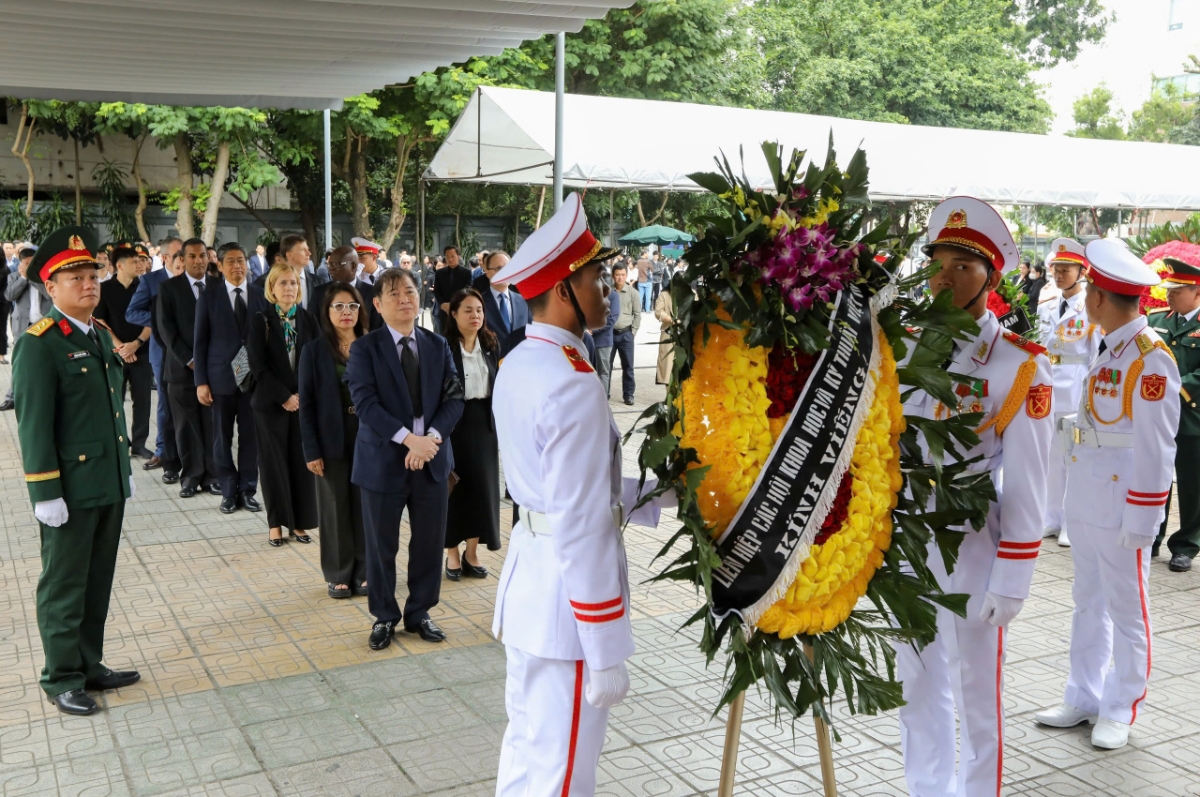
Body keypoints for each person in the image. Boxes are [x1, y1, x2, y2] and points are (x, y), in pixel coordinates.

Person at [488, 194, 671, 797]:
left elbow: (564, 491)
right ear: (563, 290)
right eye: (595, 279)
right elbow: (582, 519)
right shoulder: (571, 380)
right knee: (561, 778)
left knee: (527, 759)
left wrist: (662, 495)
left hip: (534, 588)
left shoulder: (523, 360)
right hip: (566, 610)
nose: (607, 291)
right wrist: (604, 642)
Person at [895, 197, 1053, 797]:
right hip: (907, 538)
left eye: (963, 266)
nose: (946, 277)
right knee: (916, 678)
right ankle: (926, 786)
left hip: (971, 544)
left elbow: (1030, 480)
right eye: (938, 263)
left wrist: (1014, 576)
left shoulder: (1017, 365)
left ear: (992, 276)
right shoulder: (904, 347)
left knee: (976, 690)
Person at [1035, 239, 1180, 750]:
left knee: (1127, 609)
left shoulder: (1150, 357)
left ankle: (1120, 706)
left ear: (1098, 297)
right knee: (1087, 603)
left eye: (1091, 288)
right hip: (1089, 498)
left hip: (1123, 508)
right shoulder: (1110, 345)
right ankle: (1084, 695)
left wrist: (1145, 520)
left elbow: (1158, 448)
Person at [12, 226, 138, 716]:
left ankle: (89, 663)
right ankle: (61, 675)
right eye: (76, 278)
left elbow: (110, 410)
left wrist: (124, 470)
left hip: (107, 482)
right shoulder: (39, 344)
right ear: (51, 287)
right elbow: (34, 425)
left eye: (93, 276)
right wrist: (44, 491)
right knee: (65, 584)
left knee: (97, 579)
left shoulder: (99, 333)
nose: (89, 284)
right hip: (69, 488)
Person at [345, 267, 463, 648]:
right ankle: (384, 616)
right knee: (381, 546)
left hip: (431, 460)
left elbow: (454, 398)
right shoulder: (365, 348)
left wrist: (430, 440)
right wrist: (409, 440)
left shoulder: (437, 345)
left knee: (429, 542)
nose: (404, 299)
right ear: (378, 304)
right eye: (394, 294)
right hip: (382, 461)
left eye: (410, 292)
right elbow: (365, 404)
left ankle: (419, 612)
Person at [300, 282, 369, 598]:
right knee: (334, 506)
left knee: (366, 504)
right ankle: (339, 573)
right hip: (330, 436)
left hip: (369, 435)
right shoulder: (314, 350)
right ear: (326, 312)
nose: (346, 312)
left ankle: (366, 570)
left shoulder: (372, 345)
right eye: (338, 306)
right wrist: (311, 450)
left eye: (352, 306)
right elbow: (307, 404)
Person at [194, 242, 268, 514]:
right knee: (221, 438)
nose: (237, 266)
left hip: (253, 380)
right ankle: (227, 491)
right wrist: (201, 382)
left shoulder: (261, 295)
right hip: (220, 378)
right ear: (221, 265)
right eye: (231, 262)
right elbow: (200, 342)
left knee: (250, 438)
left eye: (241, 261)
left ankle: (247, 489)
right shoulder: (209, 297)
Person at [1036, 238, 1100, 549]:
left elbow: (1097, 354)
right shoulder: (1046, 305)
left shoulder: (1090, 307)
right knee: (1050, 458)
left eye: (1066, 270)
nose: (1059, 275)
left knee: (1073, 457)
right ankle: (1051, 517)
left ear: (1081, 272)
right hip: (1047, 387)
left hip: (1076, 387)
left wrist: (1091, 394)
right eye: (1056, 269)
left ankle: (1070, 522)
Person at [248, 264, 318, 546]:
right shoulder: (261, 320)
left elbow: (316, 362)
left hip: (302, 403)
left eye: (293, 283)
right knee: (273, 464)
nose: (289, 288)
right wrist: (284, 397)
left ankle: (299, 523)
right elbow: (258, 366)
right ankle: (276, 523)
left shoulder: (308, 318)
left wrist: (300, 395)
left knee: (301, 464)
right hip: (270, 404)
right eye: (283, 283)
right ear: (272, 288)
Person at [442, 288, 501, 581]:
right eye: (468, 310)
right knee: (454, 489)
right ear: (454, 314)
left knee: (482, 490)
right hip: (453, 425)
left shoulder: (490, 343)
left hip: (484, 425)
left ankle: (472, 553)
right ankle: (452, 554)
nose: (475, 315)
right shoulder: (443, 346)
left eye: (479, 310)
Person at [1150, 245, 1200, 571]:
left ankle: (1186, 545)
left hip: (1192, 416)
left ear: (1196, 292)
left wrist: (1172, 388)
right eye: (1168, 289)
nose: (1168, 295)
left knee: (1193, 484)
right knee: (1155, 478)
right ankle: (1151, 537)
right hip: (1156, 416)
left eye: (1177, 290)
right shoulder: (1154, 320)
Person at [158, 240, 220, 498]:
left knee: (213, 425)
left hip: (215, 371)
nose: (198, 260)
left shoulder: (218, 286)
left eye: (202, 255)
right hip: (181, 371)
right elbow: (166, 330)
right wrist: (191, 360)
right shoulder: (169, 288)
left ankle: (213, 476)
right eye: (192, 256)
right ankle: (191, 477)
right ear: (182, 260)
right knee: (186, 426)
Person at [126, 238, 184, 477]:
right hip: (162, 351)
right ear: (165, 258)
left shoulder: (193, 278)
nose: (183, 257)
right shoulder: (151, 281)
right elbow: (132, 313)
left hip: (191, 350)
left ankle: (188, 451)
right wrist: (162, 321)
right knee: (165, 401)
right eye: (178, 253)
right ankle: (163, 450)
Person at [94, 247, 154, 459]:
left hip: (142, 352)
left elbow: (154, 319)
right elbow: (99, 320)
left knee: (143, 401)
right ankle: (120, 443)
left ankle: (139, 444)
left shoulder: (145, 287)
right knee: (115, 400)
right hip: (115, 354)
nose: (139, 265)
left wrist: (136, 343)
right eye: (134, 261)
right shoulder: (104, 288)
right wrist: (121, 347)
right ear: (119, 265)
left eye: (140, 261)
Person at [1, 245, 50, 411]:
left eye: (32, 263)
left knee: (43, 360)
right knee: (19, 361)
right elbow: (9, 295)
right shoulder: (13, 276)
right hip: (22, 325)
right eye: (26, 263)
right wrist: (23, 278)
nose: (29, 266)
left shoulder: (45, 277)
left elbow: (49, 294)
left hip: (44, 324)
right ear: (20, 263)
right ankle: (12, 396)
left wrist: (33, 278)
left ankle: (40, 395)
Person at [474, 250, 529, 357]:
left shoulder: (523, 301)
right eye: (499, 268)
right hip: (490, 361)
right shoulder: (479, 302)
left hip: (521, 360)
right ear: (487, 272)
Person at [310, 245, 380, 330]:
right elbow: (312, 327)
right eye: (329, 264)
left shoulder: (372, 293)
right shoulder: (319, 292)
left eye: (336, 264)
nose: (331, 268)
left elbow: (377, 328)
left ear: (353, 266)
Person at [609, 262, 640, 405]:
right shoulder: (607, 292)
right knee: (606, 366)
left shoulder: (633, 293)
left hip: (626, 335)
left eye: (622, 275)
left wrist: (633, 332)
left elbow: (637, 314)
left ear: (626, 275)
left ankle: (628, 395)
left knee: (628, 366)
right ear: (613, 275)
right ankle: (604, 393)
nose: (620, 278)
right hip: (609, 335)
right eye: (617, 275)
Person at [592, 270, 617, 394]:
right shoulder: (591, 293)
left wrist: (593, 329)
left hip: (603, 341)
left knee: (603, 373)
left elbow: (611, 319)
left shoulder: (613, 296)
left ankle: (603, 399)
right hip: (588, 339)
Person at [433, 245, 470, 328]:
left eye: (452, 256)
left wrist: (454, 304)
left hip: (459, 309)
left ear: (458, 256)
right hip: (442, 311)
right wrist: (443, 304)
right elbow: (437, 291)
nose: (450, 259)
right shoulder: (439, 273)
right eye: (447, 257)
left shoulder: (466, 272)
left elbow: (467, 290)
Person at [653, 284, 674, 386]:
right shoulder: (664, 294)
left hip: (686, 335)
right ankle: (669, 392)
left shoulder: (692, 293)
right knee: (667, 367)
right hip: (668, 334)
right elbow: (658, 312)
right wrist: (670, 319)